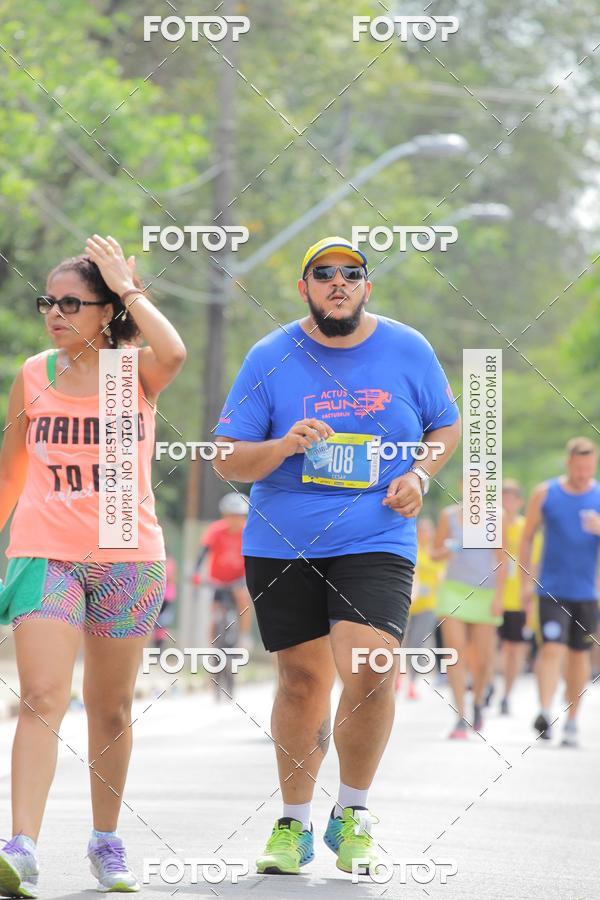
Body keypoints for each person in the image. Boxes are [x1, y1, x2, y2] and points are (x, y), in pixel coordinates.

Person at [213, 236, 460, 875]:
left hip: (376, 536)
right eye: (323, 274)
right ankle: (293, 823)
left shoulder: (408, 348)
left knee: (374, 665)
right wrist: (285, 445)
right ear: (306, 289)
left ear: (366, 286)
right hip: (283, 541)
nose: (338, 282)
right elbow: (227, 457)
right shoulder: (270, 356)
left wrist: (422, 474)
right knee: (301, 681)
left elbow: (445, 424)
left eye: (351, 273)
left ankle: (352, 813)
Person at [0, 235, 186, 896]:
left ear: (106, 312)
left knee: (110, 709)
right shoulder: (33, 373)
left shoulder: (133, 371)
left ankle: (106, 840)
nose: (54, 312)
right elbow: (12, 469)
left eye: (72, 302)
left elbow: (177, 353)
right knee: (42, 695)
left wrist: (130, 286)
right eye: (47, 301)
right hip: (44, 551)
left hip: (128, 558)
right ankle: (19, 846)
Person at [520, 437, 600, 747]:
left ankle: (572, 720)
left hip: (587, 592)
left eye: (588, 469)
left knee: (579, 655)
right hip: (551, 589)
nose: (582, 474)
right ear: (568, 464)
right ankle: (544, 711)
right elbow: (526, 538)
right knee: (552, 648)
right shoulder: (546, 493)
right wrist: (526, 580)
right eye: (578, 468)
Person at [433, 489, 506, 738]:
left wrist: (500, 596)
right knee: (455, 651)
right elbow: (434, 554)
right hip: (453, 590)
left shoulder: (498, 516)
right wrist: (447, 549)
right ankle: (460, 716)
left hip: (486, 592)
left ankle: (477, 703)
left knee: (483, 659)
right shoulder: (449, 515)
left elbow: (502, 559)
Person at [498, 480, 539, 715]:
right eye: (504, 498)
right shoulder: (491, 524)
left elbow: (532, 562)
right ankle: (487, 686)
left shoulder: (526, 528)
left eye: (512, 499)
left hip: (517, 598)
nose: (507, 503)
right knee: (492, 647)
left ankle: (507, 693)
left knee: (514, 648)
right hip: (493, 595)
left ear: (519, 502)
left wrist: (530, 593)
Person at [192, 492, 252, 647]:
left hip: (239, 580)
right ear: (225, 515)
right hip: (218, 580)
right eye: (231, 515)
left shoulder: (248, 532)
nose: (235, 520)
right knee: (215, 613)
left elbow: (254, 558)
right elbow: (203, 552)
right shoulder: (215, 530)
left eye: (239, 516)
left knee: (242, 598)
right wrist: (196, 573)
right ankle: (213, 648)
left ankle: (244, 636)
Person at [402, 516, 444, 700]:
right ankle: (397, 678)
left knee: (417, 644)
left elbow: (443, 575)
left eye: (428, 530)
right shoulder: (411, 548)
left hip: (428, 605)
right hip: (408, 603)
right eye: (422, 530)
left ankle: (412, 681)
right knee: (401, 642)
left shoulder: (436, 553)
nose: (425, 534)